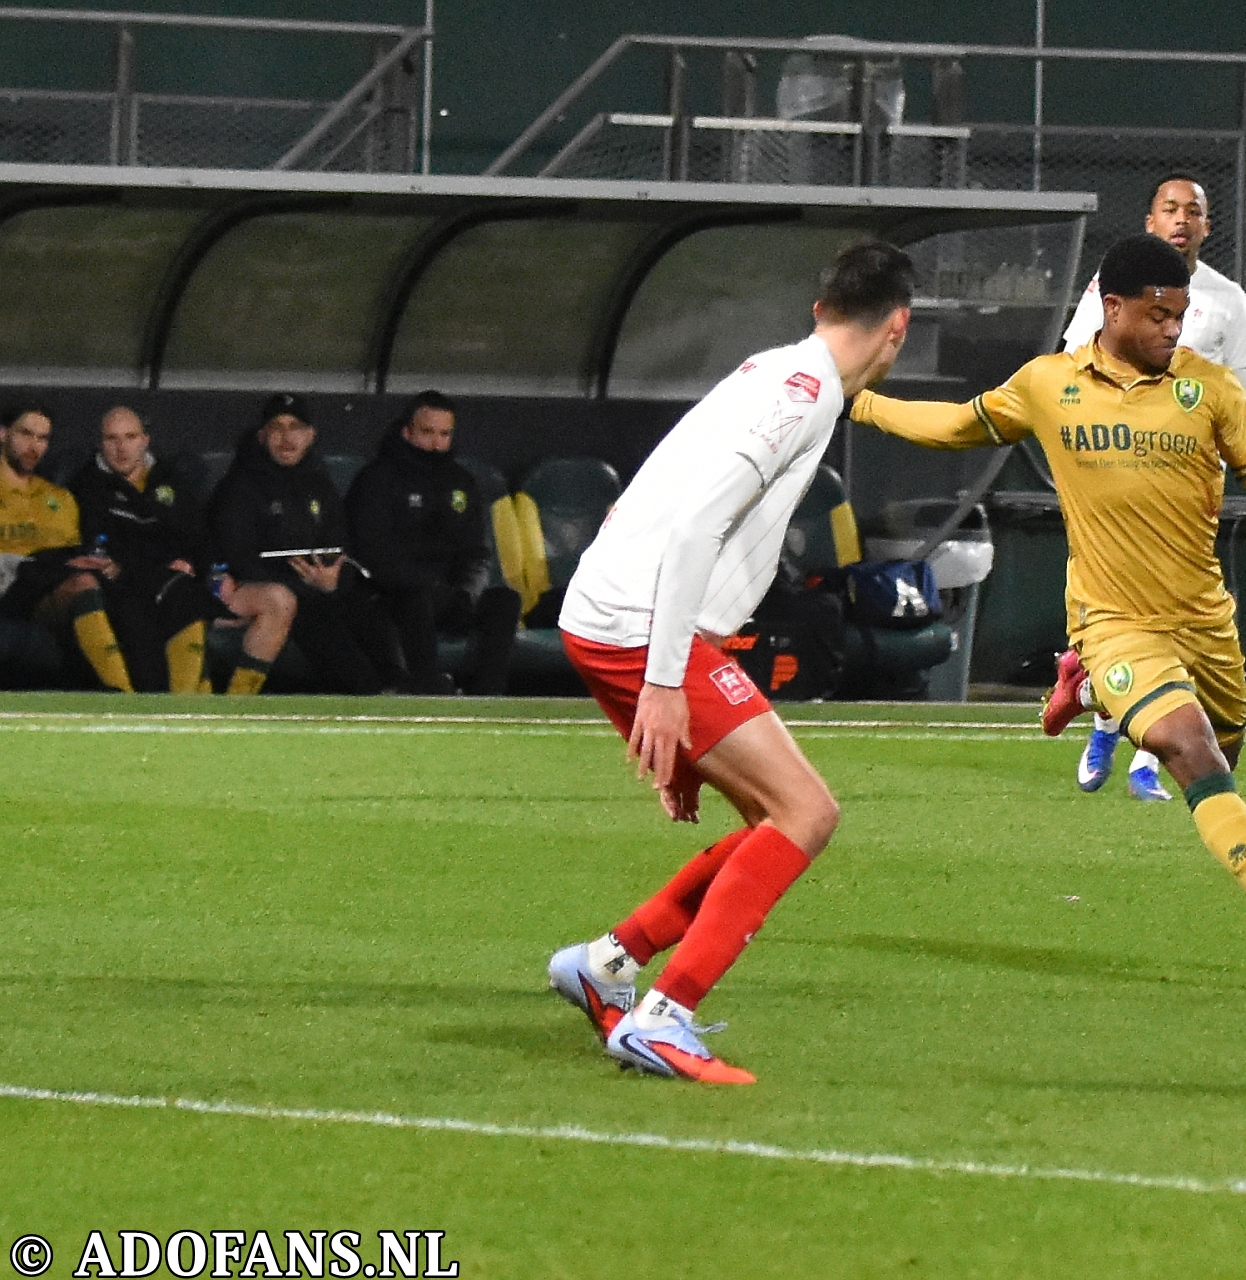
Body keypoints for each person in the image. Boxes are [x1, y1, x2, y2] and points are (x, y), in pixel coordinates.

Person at [850, 233, 1246, 983]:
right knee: (1186, 748)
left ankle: (1090, 687)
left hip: (1205, 626)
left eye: (1182, 316)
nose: (1172, 329)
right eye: (1159, 315)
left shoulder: (1211, 391)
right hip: (1115, 620)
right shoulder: (1049, 385)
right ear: (1113, 307)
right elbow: (954, 425)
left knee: (1220, 764)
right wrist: (863, 402)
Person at [545, 241, 914, 1084]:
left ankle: (606, 964)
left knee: (769, 825)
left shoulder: (778, 371)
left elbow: (654, 498)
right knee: (804, 815)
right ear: (898, 328)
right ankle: (661, 1018)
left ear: (821, 308)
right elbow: (692, 530)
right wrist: (668, 685)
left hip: (625, 618)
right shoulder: (801, 395)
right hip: (640, 626)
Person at [1061, 173, 1246, 801]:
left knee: (1173, 618)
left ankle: (1137, 749)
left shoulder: (1227, 300)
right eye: (1170, 209)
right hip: (1114, 480)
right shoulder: (1113, 285)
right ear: (1151, 220)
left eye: (1194, 212)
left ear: (1208, 226)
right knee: (1126, 614)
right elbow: (1071, 362)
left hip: (1189, 492)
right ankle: (1105, 718)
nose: (1182, 220)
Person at [208, 394, 401, 696]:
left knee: (364, 608)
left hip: (318, 588)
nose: (287, 437)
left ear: (310, 435)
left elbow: (341, 549)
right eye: (277, 427)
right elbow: (237, 557)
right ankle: (367, 694)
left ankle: (399, 685)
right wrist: (307, 586)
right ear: (263, 435)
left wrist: (335, 579)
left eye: (295, 427)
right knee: (314, 614)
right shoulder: (240, 485)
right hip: (273, 590)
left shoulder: (320, 485)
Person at [346, 391, 520, 695]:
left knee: (504, 600)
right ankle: (427, 686)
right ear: (407, 432)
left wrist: (466, 592)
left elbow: (476, 552)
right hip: (394, 595)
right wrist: (425, 585)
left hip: (450, 594)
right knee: (414, 595)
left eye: (445, 434)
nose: (437, 443)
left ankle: (487, 696)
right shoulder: (377, 479)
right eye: (427, 433)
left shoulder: (461, 483)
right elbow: (372, 552)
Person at [68, 406, 219, 693]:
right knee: (148, 608)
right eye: (111, 439)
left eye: (130, 437)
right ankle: (145, 703)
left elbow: (199, 537)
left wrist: (191, 562)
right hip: (122, 584)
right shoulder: (86, 486)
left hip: (173, 578)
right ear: (100, 444)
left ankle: (187, 708)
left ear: (145, 440)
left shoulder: (170, 479)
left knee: (187, 593)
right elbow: (100, 547)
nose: (121, 448)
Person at [0, 404, 134, 692]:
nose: (34, 446)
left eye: (43, 438)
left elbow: (72, 556)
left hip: (50, 591)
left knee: (99, 581)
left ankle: (129, 694)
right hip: (8, 588)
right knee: (82, 583)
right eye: (25, 434)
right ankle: (124, 696)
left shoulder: (60, 499)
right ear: (2, 434)